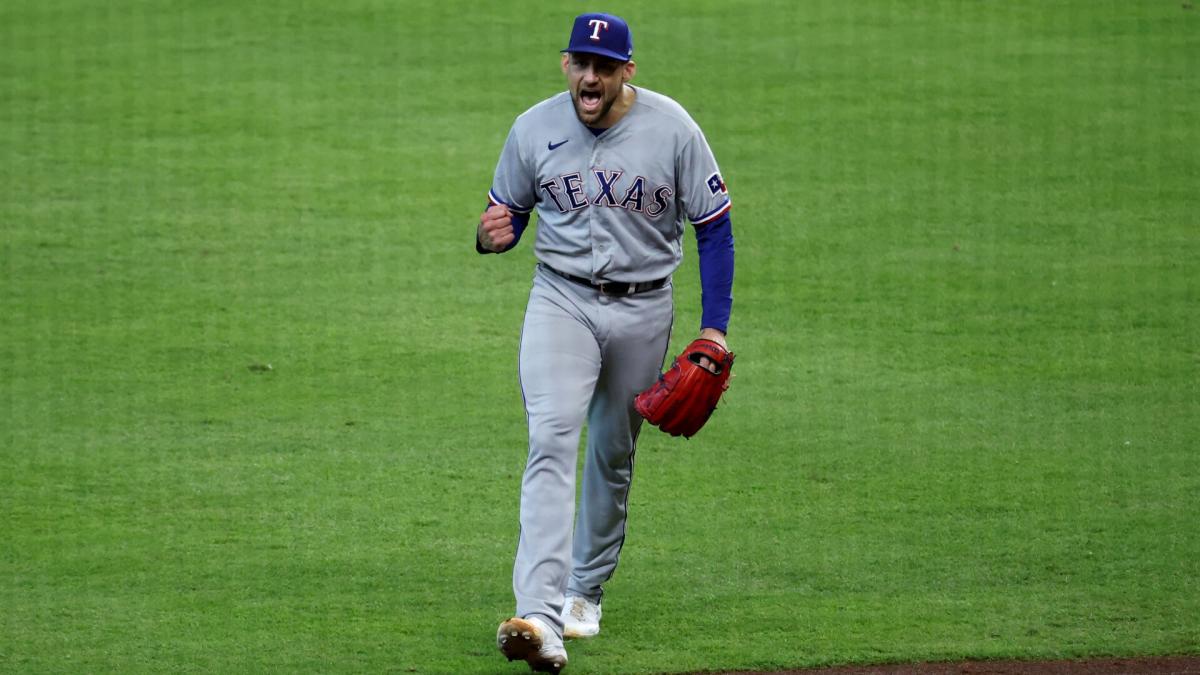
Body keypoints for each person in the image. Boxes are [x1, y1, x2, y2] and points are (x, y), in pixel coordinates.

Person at [477, 12, 735, 673]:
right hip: (559, 300)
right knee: (552, 437)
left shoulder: (674, 129)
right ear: (566, 64)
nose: (590, 77)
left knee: (613, 451)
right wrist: (490, 236)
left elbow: (713, 226)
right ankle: (538, 615)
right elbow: (503, 214)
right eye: (579, 63)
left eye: (604, 67)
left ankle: (585, 586)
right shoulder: (532, 128)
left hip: (643, 306)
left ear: (627, 71)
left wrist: (714, 325)